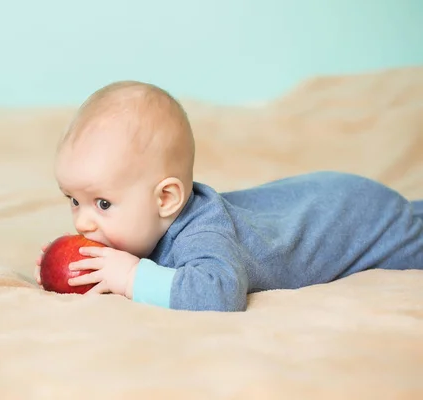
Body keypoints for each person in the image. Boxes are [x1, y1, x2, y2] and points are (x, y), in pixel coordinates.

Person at [35, 80, 423, 312]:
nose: (82, 222)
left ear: (166, 199)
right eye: (73, 200)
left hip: (360, 220)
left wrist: (132, 277)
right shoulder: (145, 221)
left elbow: (219, 294)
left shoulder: (203, 234)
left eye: (102, 204)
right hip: (318, 197)